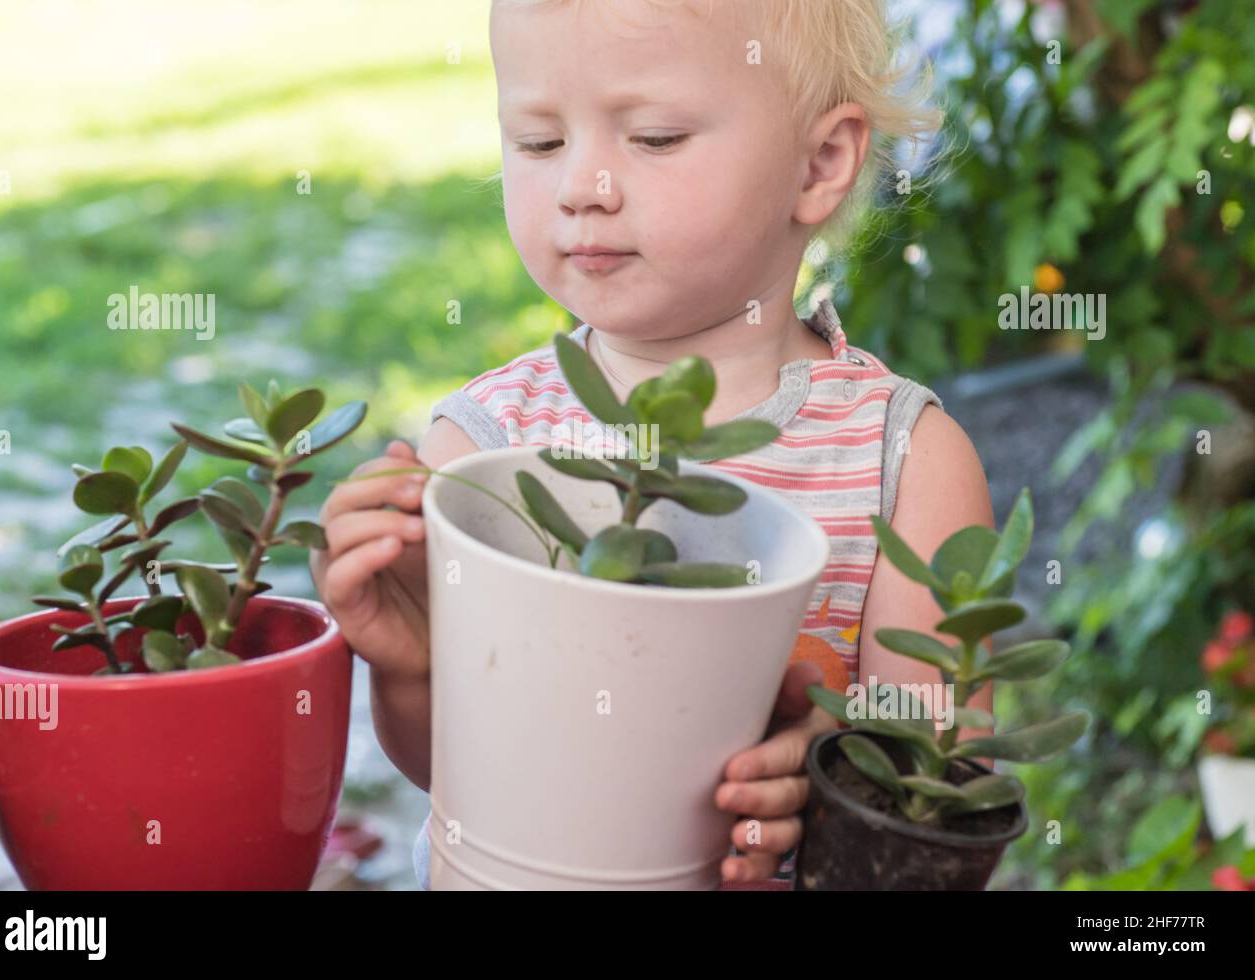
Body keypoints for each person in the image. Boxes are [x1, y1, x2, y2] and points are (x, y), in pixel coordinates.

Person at [310, 0, 996, 889]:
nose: (580, 187)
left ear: (819, 163)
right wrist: (410, 672)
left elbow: (938, 804)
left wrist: (837, 775)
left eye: (656, 137)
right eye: (539, 141)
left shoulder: (901, 465)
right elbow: (459, 779)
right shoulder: (478, 451)